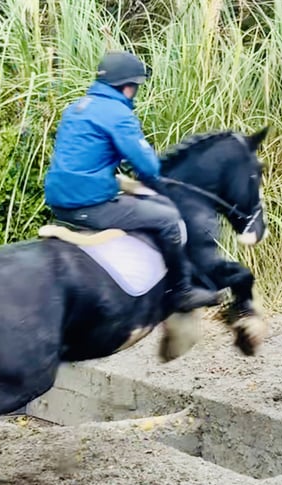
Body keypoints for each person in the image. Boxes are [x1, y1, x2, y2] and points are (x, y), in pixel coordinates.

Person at [43, 50, 221, 313]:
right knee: (168, 218)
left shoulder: (76, 108)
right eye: (135, 87)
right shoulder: (117, 113)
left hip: (58, 199)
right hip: (88, 203)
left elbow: (88, 155)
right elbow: (147, 166)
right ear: (127, 87)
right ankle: (181, 292)